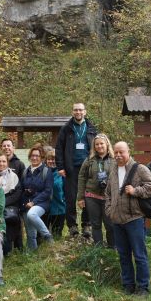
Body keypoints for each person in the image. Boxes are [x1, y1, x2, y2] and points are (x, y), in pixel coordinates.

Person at [105, 142, 151, 296]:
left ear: (128, 151)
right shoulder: (113, 170)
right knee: (123, 255)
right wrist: (109, 210)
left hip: (134, 219)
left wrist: (136, 191)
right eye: (115, 152)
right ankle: (128, 285)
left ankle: (143, 288)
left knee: (139, 255)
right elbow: (108, 193)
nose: (118, 155)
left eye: (121, 152)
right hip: (117, 220)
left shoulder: (139, 169)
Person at [55, 103, 98, 238]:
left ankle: (87, 225)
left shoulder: (91, 128)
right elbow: (59, 148)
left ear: (85, 112)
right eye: (75, 110)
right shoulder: (66, 129)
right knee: (70, 198)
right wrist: (60, 167)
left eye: (80, 110)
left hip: (88, 168)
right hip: (70, 169)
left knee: (88, 197)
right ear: (72, 112)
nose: (78, 112)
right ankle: (72, 226)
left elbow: (98, 147)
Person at [77, 133, 116, 246]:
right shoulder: (89, 160)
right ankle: (98, 248)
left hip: (109, 198)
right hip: (92, 197)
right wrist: (80, 198)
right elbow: (81, 177)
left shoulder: (114, 160)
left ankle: (112, 248)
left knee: (110, 224)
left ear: (107, 144)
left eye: (101, 144)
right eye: (97, 144)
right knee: (96, 224)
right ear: (94, 146)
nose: (99, 146)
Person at [19, 146, 54, 250]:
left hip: (41, 203)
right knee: (30, 233)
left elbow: (47, 191)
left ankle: (47, 235)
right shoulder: (26, 172)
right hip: (26, 203)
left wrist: (34, 202)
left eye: (37, 156)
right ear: (30, 157)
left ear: (41, 157)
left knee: (32, 214)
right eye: (33, 155)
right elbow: (21, 189)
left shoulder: (47, 171)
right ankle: (33, 255)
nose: (34, 158)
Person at [0, 155, 21, 255]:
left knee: (8, 228)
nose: (1, 163)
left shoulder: (13, 176)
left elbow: (17, 193)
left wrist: (2, 204)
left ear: (7, 163)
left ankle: (6, 253)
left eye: (4, 161)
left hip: (8, 206)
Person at [44, 149, 66, 238]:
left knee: (57, 235)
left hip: (59, 208)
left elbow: (67, 190)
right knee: (43, 236)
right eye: (49, 159)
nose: (51, 161)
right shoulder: (43, 172)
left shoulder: (62, 173)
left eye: (54, 159)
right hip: (45, 209)